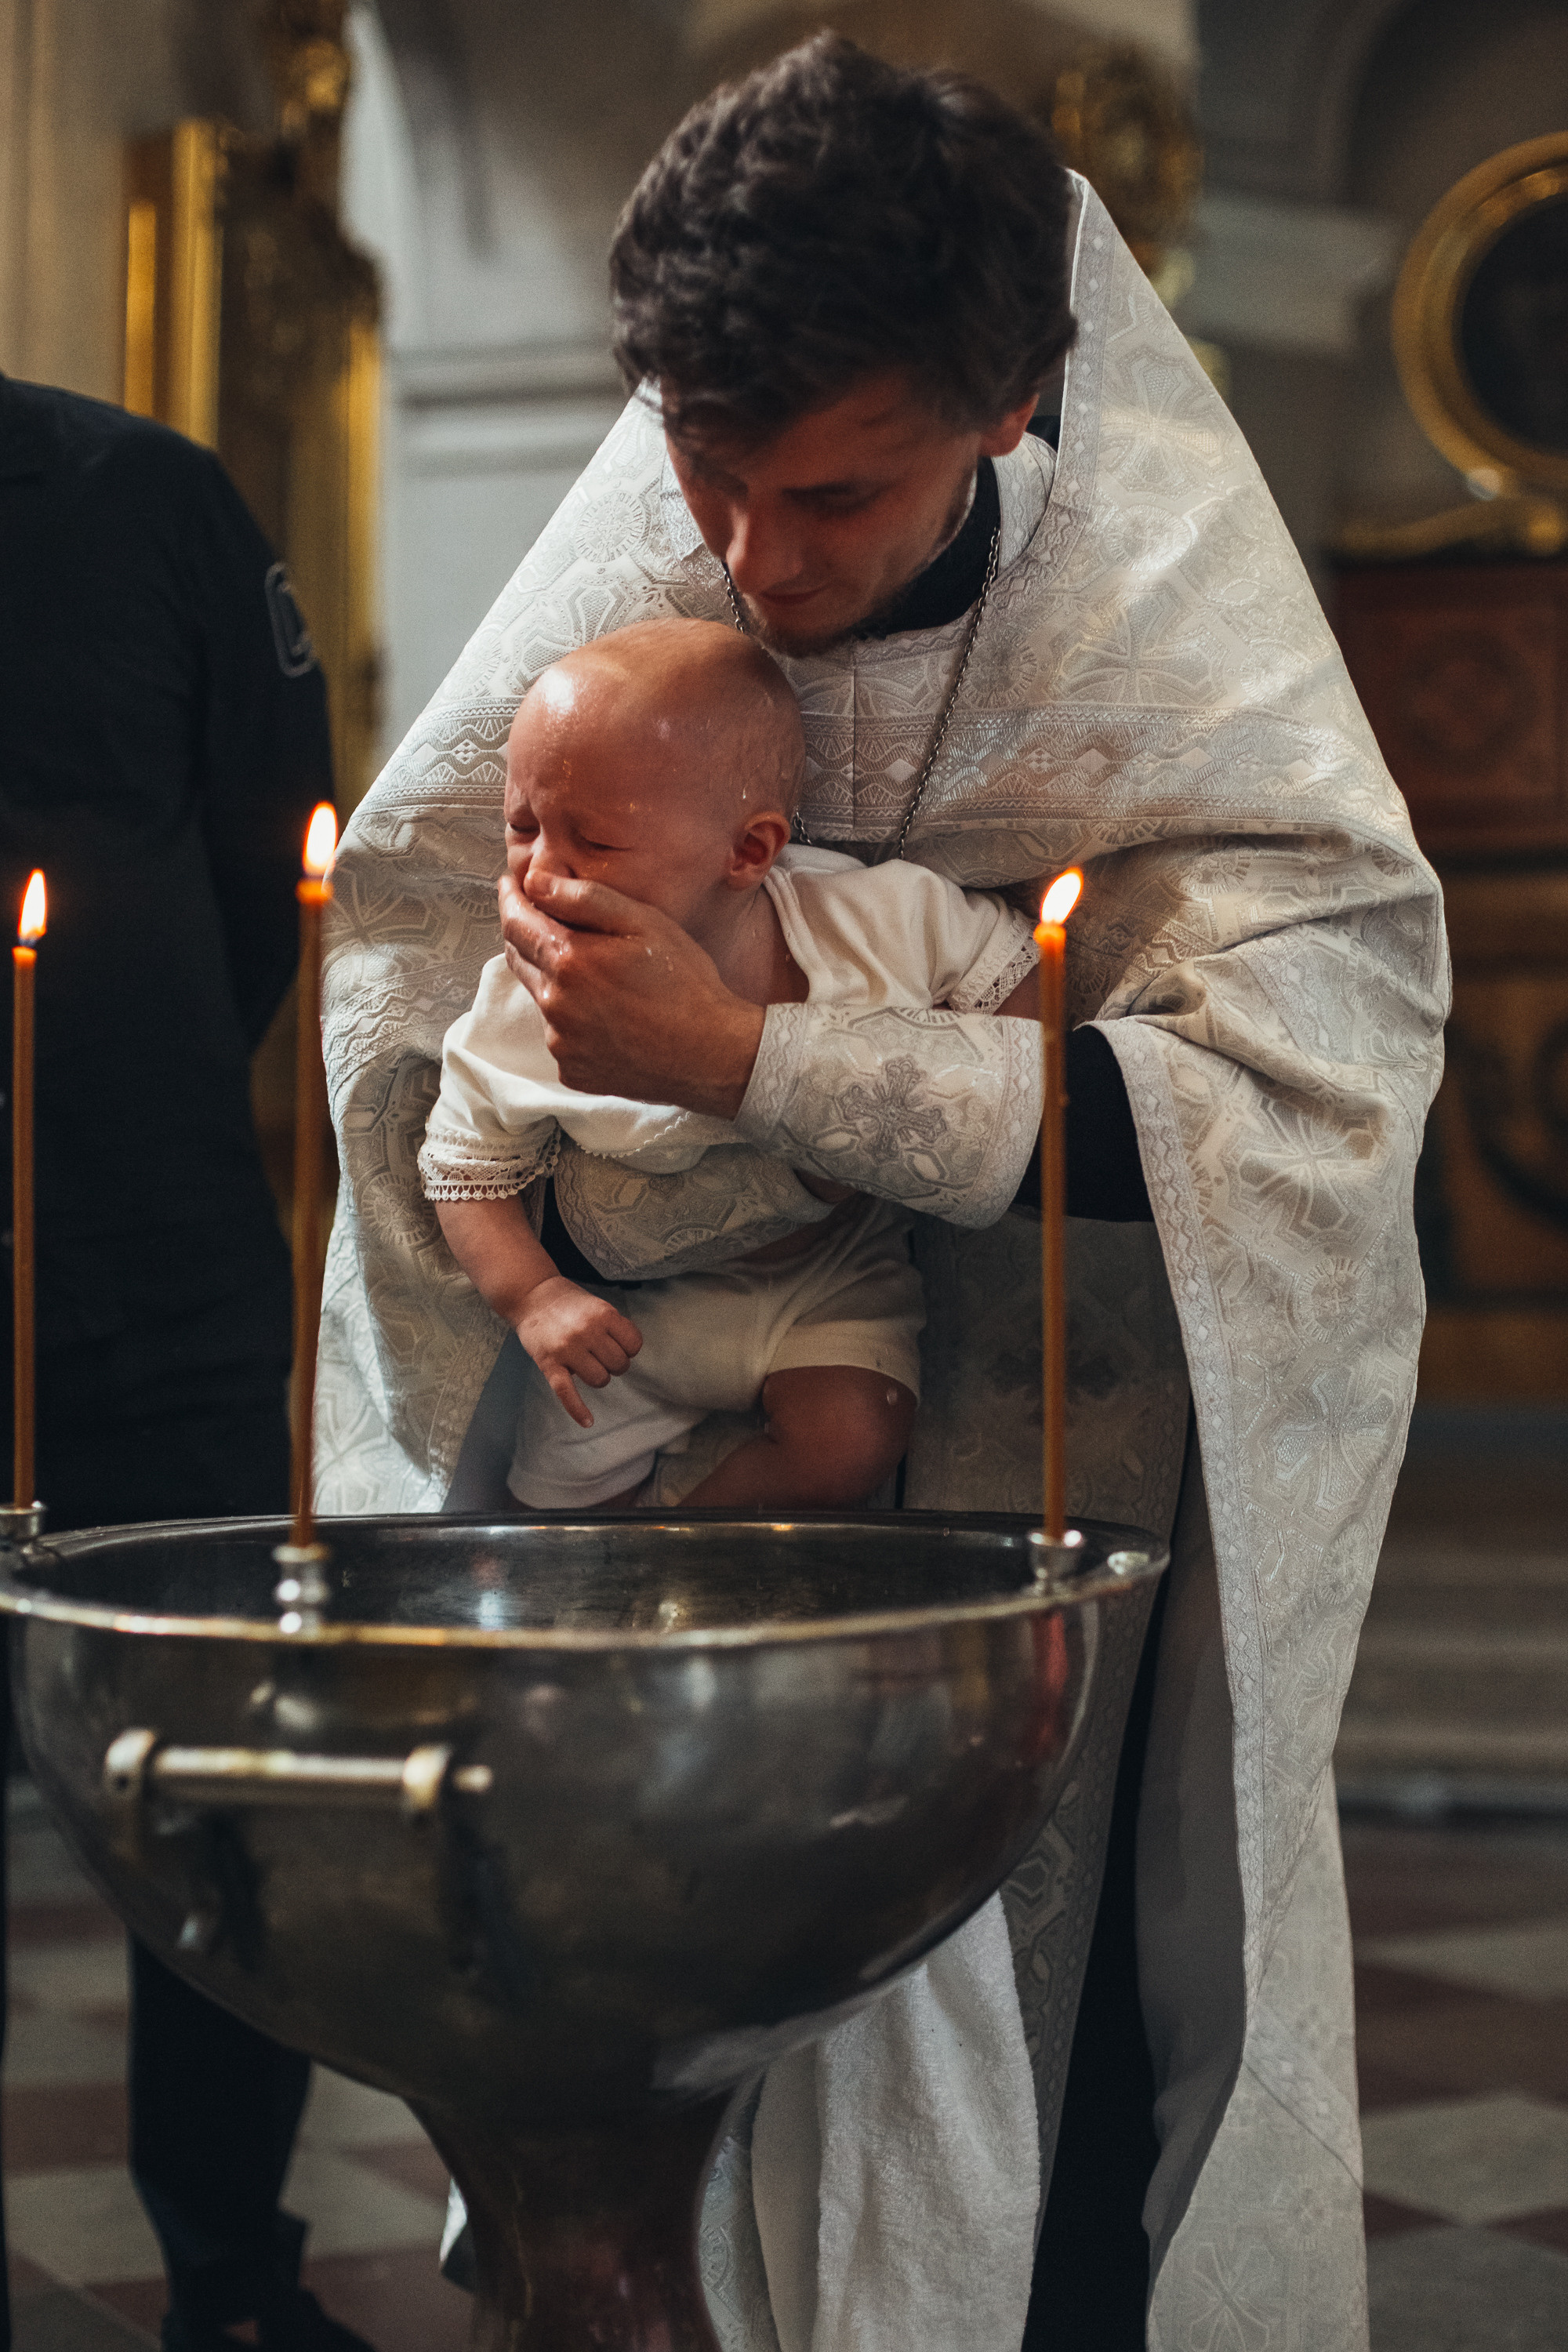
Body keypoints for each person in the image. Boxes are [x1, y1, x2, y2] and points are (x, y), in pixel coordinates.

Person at [318, 35, 1446, 2352]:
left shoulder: (1165, 624)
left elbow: (1303, 1101)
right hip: (687, 1478)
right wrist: (560, 1162)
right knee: (679, 2092)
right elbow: (414, 1012)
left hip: (1073, 1452)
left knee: (1073, 2088)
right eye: (703, 472)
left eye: (832, 492)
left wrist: (760, 1058)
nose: (753, 558)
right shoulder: (633, 590)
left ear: (1011, 402)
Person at [0, 372, 376, 2352]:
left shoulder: (141, 496)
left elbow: (264, 871)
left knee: (230, 1799)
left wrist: (110, 1097)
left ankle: (231, 2278)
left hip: (147, 1274)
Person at [422, 616, 1042, 1512]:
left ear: (747, 852)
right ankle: (614, 1572)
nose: (541, 875)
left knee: (851, 1440)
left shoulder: (867, 920)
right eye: (523, 827)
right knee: (550, 1515)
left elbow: (1009, 966)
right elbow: (464, 1169)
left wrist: (974, 1077)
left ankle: (686, 1544)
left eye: (593, 842)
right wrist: (535, 1298)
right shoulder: (525, 999)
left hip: (829, 1283)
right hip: (633, 1315)